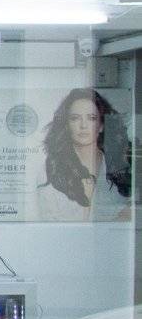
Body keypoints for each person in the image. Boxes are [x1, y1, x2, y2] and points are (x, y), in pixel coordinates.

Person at [37, 87, 134, 222]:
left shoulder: (120, 168)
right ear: (67, 125)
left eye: (91, 118)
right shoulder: (51, 169)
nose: (83, 125)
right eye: (75, 118)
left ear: (101, 125)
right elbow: (47, 223)